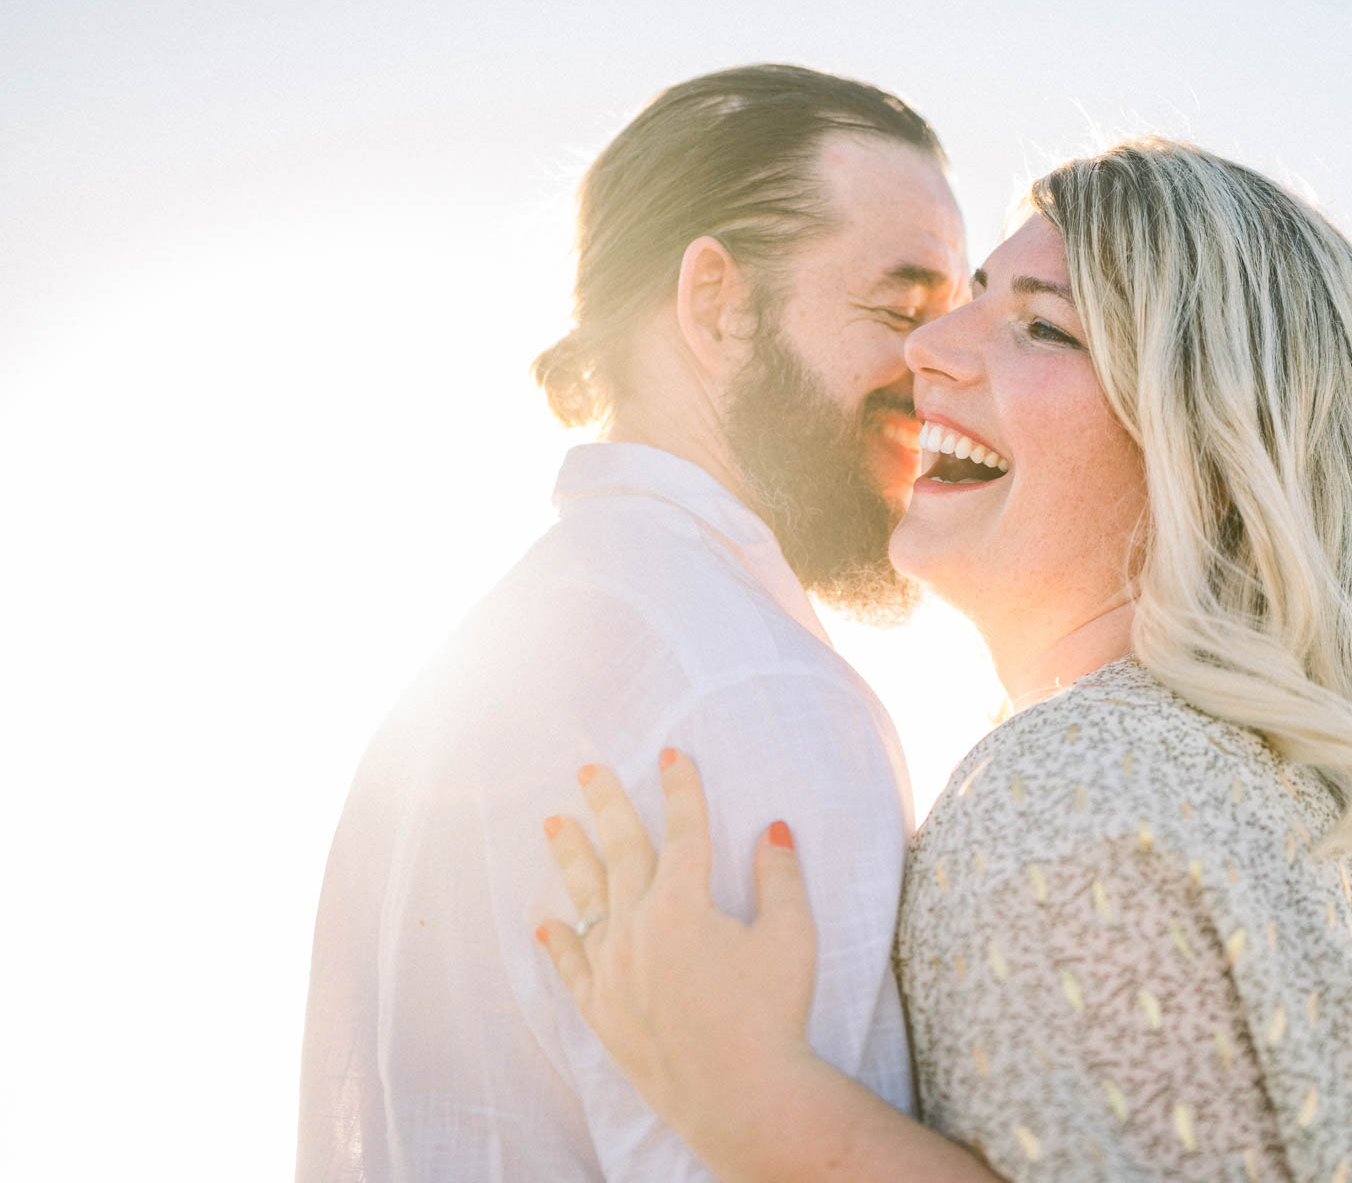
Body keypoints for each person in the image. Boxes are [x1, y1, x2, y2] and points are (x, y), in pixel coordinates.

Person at [536, 139, 1352, 1181]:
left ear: (1207, 453)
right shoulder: (1255, 782)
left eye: (1040, 325)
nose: (929, 345)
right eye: (970, 298)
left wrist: (750, 1096)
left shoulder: (1071, 791)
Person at [296, 64, 968, 1182]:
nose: (940, 370)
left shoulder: (490, 656)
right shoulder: (754, 691)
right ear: (716, 302)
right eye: (902, 310)